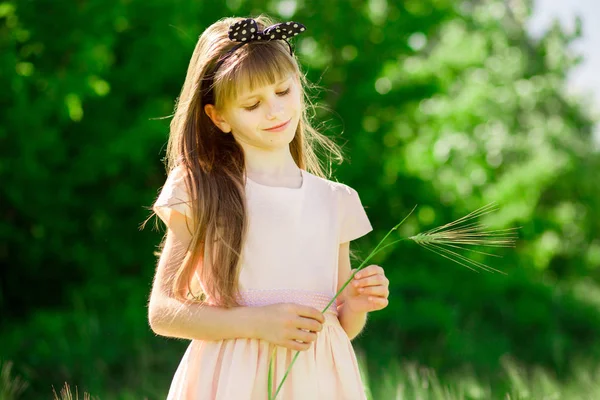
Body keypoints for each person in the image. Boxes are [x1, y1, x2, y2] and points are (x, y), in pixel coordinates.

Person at [147, 15, 390, 400]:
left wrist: (357, 304)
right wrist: (258, 322)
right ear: (219, 116)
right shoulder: (202, 188)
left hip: (319, 382)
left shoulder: (337, 200)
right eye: (252, 104)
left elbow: (339, 324)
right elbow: (162, 313)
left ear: (298, 85)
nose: (275, 112)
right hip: (234, 380)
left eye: (283, 91)